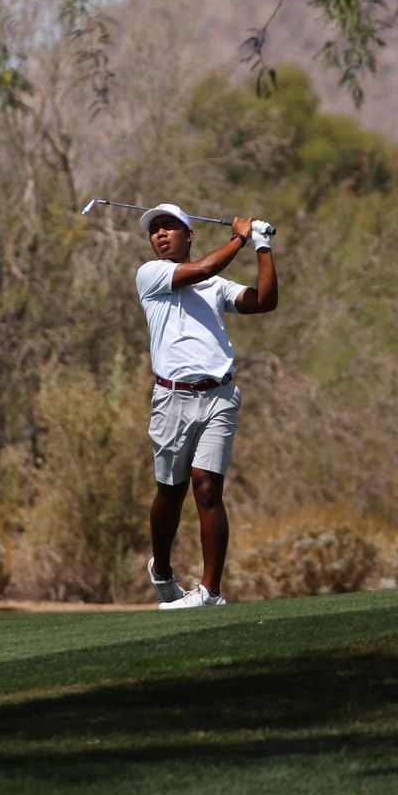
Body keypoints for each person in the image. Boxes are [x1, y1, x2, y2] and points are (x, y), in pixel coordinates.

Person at [136, 203, 277, 609]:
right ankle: (161, 568)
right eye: (155, 230)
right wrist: (239, 236)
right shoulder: (151, 274)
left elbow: (264, 301)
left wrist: (262, 247)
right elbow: (200, 270)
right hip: (171, 397)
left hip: (219, 396)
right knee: (170, 491)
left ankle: (211, 591)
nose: (160, 235)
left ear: (189, 234)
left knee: (207, 486)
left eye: (170, 228)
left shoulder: (217, 286)